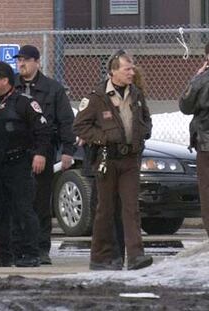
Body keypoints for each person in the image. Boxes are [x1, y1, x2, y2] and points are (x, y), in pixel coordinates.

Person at [73, 50, 153, 270]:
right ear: (113, 72)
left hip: (130, 160)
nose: (131, 72)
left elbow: (146, 118)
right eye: (126, 68)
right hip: (107, 159)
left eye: (132, 67)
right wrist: (102, 138)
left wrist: (143, 133)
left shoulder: (136, 93)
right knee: (105, 210)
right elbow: (80, 126)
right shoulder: (96, 97)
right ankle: (101, 257)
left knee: (131, 207)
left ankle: (136, 256)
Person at [0, 61, 51, 267]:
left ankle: (31, 252)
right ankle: (5, 254)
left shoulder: (23, 103)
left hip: (19, 164)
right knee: (0, 212)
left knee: (23, 210)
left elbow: (43, 130)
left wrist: (40, 154)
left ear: (5, 80)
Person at [13, 45, 75, 264]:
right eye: (19, 60)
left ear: (37, 62)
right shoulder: (12, 86)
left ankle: (41, 249)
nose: (22, 64)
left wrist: (68, 150)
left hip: (44, 151)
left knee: (40, 202)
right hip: (17, 153)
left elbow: (66, 121)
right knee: (18, 202)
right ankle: (20, 247)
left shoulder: (52, 89)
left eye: (26, 60)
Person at [179, 39, 209, 238]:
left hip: (208, 145)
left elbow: (185, 106)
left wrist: (196, 78)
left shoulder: (203, 80)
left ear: (208, 57)